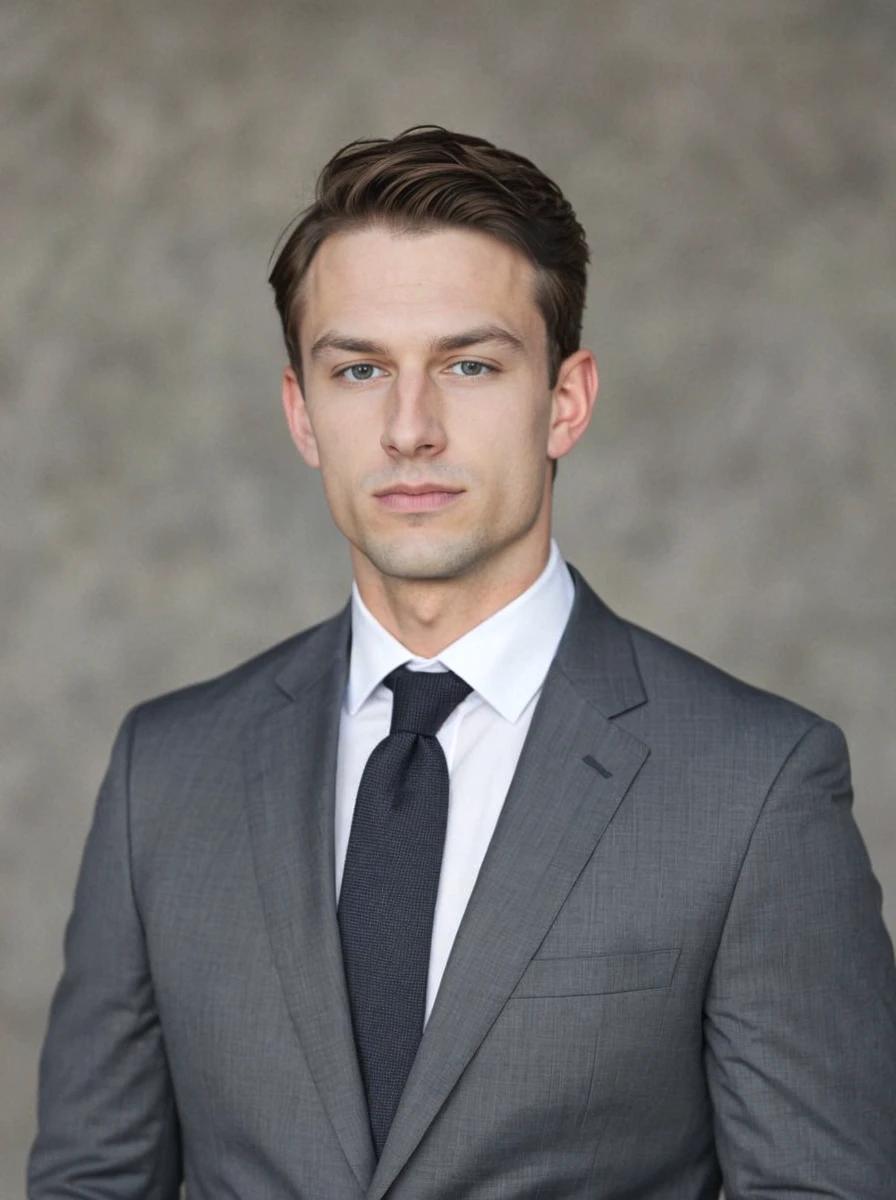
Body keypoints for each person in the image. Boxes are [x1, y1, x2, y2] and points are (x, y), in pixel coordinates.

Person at [28, 125, 896, 1199]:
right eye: (358, 369)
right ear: (302, 412)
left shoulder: (754, 787)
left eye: (469, 365)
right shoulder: (163, 773)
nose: (408, 428)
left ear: (563, 401)